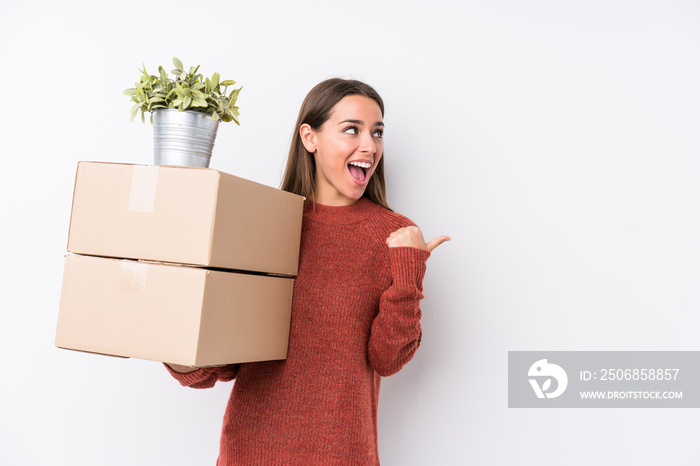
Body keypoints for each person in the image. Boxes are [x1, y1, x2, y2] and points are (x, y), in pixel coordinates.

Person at [165, 78, 449, 465]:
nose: (369, 145)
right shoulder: (264, 224)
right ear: (309, 137)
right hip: (250, 453)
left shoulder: (394, 238)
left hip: (343, 455)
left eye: (377, 132)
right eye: (352, 129)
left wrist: (409, 274)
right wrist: (171, 340)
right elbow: (224, 364)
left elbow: (388, 359)